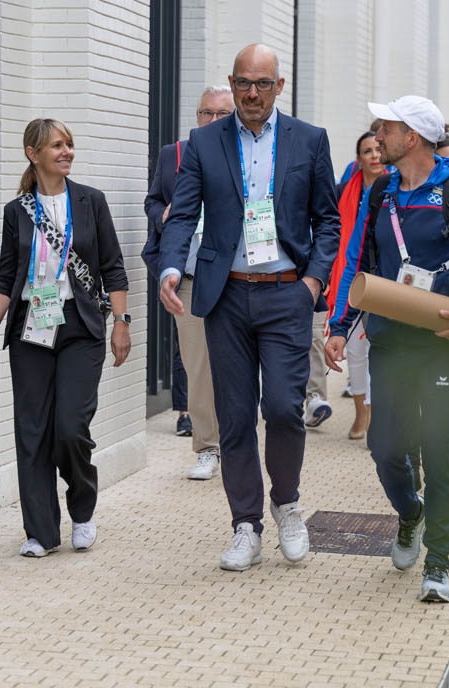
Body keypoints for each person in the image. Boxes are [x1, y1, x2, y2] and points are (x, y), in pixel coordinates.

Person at [158, 43, 340, 572]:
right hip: (227, 294)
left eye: (262, 83)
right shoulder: (204, 142)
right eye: (243, 83)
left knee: (284, 408)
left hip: (287, 292)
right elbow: (182, 213)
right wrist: (171, 268)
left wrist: (311, 282)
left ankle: (286, 504)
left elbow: (328, 220)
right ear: (232, 84)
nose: (252, 93)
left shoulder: (309, 140)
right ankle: (246, 525)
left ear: (279, 86)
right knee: (235, 415)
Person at [324, 95, 449, 602]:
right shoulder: (381, 190)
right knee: (385, 446)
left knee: (439, 448)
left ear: (411, 137)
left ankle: (439, 563)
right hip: (388, 341)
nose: (377, 135)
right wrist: (341, 323)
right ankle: (410, 512)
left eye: (386, 127)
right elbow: (357, 258)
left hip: (444, 343)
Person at [0, 118, 131, 558]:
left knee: (69, 428)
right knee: (32, 431)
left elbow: (113, 267)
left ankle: (82, 510)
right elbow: (6, 276)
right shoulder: (16, 211)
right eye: (58, 146)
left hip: (80, 327)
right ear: (33, 153)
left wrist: (121, 321)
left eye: (69, 145)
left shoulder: (90, 202)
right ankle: (40, 532)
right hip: (30, 330)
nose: (67, 152)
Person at [143, 85, 234, 479]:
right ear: (196, 116)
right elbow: (152, 200)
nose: (212, 121)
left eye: (221, 114)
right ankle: (207, 447)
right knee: (197, 366)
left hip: (239, 277)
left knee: (236, 368)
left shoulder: (250, 158)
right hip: (191, 276)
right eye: (206, 113)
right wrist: (163, 213)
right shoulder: (175, 155)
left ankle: (237, 443)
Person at [326, 130, 386, 440]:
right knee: (355, 348)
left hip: (385, 279)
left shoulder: (395, 187)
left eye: (378, 149)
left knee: (379, 347)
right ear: (358, 159)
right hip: (351, 277)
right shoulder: (343, 192)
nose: (375, 155)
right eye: (367, 151)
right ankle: (361, 411)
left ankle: (377, 416)